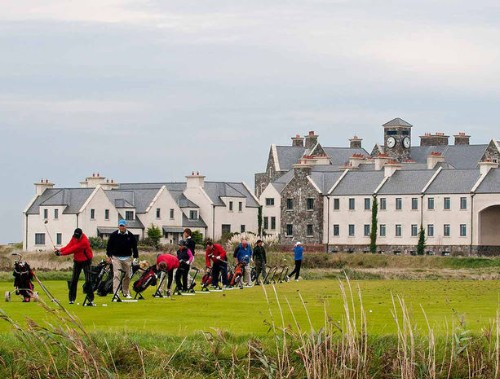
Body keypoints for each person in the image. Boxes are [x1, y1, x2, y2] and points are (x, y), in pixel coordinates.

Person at [55, 228, 95, 306]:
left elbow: (73, 249)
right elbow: (69, 246)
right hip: (77, 261)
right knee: (74, 279)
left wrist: (61, 254)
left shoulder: (84, 241)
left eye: (77, 237)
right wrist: (60, 250)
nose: (76, 238)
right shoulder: (74, 237)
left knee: (88, 280)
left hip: (86, 261)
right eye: (75, 236)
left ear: (81, 235)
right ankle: (71, 299)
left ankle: (90, 299)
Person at [106, 219, 139, 300]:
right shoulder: (114, 235)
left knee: (127, 275)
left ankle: (125, 292)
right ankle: (116, 294)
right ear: (118, 226)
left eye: (123, 226)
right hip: (116, 257)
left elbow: (134, 247)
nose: (121, 227)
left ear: (126, 226)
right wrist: (109, 255)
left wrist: (135, 257)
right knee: (117, 275)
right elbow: (109, 246)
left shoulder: (130, 235)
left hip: (127, 258)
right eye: (120, 226)